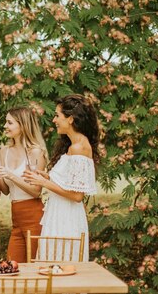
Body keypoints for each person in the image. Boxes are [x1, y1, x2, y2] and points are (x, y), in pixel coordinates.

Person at [23, 94, 99, 261]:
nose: (54, 120)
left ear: (70, 119)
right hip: (58, 213)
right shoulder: (73, 146)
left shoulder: (79, 148)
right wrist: (46, 177)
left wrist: (44, 183)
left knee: (63, 267)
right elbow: (68, 183)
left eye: (57, 115)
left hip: (67, 219)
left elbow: (77, 196)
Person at [0, 107, 47, 263]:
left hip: (34, 216)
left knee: (36, 266)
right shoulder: (4, 151)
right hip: (15, 218)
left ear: (22, 125)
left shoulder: (35, 152)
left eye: (10, 122)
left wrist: (9, 174)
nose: (5, 126)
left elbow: (36, 191)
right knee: (13, 265)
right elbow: (6, 190)